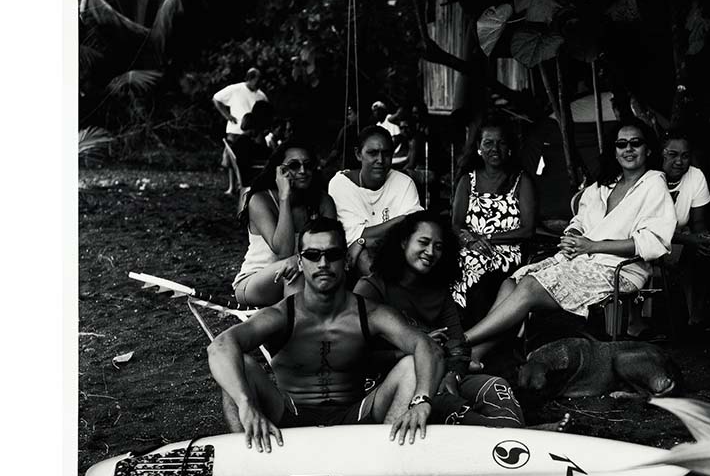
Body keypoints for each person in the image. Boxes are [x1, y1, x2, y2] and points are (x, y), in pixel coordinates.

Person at [208, 217, 444, 451]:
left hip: (354, 416)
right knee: (239, 365)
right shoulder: (282, 315)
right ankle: (249, 459)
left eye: (332, 255)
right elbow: (220, 346)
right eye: (313, 255)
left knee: (411, 366)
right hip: (291, 417)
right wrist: (245, 402)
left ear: (347, 261)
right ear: (300, 262)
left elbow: (427, 347)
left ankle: (392, 456)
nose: (323, 263)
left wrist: (421, 399)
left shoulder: (369, 313)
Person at [462, 119, 676, 367]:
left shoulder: (653, 184)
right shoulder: (604, 184)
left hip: (619, 269)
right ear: (614, 150)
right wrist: (573, 234)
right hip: (581, 260)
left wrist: (592, 246)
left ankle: (461, 342)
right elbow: (580, 219)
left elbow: (651, 242)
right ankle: (474, 356)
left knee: (530, 285)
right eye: (621, 144)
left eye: (635, 143)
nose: (628, 149)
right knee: (513, 282)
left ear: (648, 149)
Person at [354, 212, 529, 428]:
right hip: (393, 383)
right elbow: (355, 356)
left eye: (438, 247)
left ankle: (519, 438)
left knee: (495, 386)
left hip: (441, 371)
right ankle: (511, 437)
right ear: (403, 242)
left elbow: (457, 344)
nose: (431, 252)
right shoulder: (370, 289)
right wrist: (418, 347)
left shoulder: (438, 290)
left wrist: (453, 376)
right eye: (424, 242)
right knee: (446, 405)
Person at [449, 119, 538, 326]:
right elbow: (456, 224)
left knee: (476, 267)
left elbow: (527, 230)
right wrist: (471, 241)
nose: (495, 149)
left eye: (501, 143)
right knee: (451, 263)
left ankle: (474, 332)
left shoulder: (521, 181)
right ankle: (452, 328)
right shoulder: (467, 180)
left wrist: (486, 238)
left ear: (509, 148)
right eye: (488, 143)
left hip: (507, 251)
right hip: (470, 245)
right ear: (479, 148)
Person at [232, 141, 336, 307]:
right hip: (256, 281)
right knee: (293, 273)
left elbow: (332, 245)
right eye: (294, 165)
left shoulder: (323, 201)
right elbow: (284, 251)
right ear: (279, 170)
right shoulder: (261, 200)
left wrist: (299, 260)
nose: (303, 171)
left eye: (308, 165)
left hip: (305, 274)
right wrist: (284, 197)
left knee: (302, 272)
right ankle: (298, 329)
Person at [328, 127, 423, 277]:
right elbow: (349, 238)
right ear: (358, 154)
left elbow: (416, 229)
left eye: (386, 154)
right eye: (372, 153)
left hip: (396, 254)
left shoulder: (404, 182)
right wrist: (401, 219)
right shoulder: (341, 184)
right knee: (363, 255)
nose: (380, 160)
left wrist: (362, 239)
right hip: (355, 264)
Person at [660, 129, 710, 329]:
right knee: (690, 252)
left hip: (681, 239)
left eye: (685, 156)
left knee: (705, 251)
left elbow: (698, 221)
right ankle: (681, 320)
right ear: (661, 154)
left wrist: (702, 239)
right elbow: (650, 229)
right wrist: (691, 240)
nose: (679, 161)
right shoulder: (650, 178)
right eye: (672, 155)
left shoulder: (695, 176)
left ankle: (696, 317)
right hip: (650, 241)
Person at [213, 68, 268, 195]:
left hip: (253, 132)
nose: (259, 82)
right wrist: (227, 116)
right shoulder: (235, 89)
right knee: (232, 157)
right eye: (257, 79)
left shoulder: (261, 95)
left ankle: (245, 184)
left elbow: (266, 113)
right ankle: (232, 186)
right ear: (250, 78)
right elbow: (216, 99)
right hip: (236, 129)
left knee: (249, 158)